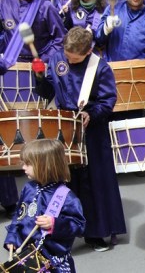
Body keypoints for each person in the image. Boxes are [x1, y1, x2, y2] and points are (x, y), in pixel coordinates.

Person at [35, 27, 125, 251]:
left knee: (95, 181)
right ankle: (62, 231)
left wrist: (91, 113)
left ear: (88, 52)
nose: (68, 59)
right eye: (66, 55)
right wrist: (38, 76)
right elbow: (46, 93)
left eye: (73, 58)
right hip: (63, 129)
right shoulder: (57, 59)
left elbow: (107, 101)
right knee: (65, 182)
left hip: (92, 131)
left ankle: (97, 233)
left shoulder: (100, 68)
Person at [3, 139, 86, 272]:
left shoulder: (66, 196)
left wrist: (54, 224)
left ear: (45, 165)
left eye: (28, 164)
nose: (23, 167)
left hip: (53, 262)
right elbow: (18, 217)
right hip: (27, 257)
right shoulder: (28, 188)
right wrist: (12, 238)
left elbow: (79, 225)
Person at [0, 0, 66, 73]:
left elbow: (61, 38)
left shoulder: (46, 7)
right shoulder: (4, 4)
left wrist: (44, 59)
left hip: (39, 64)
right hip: (10, 63)